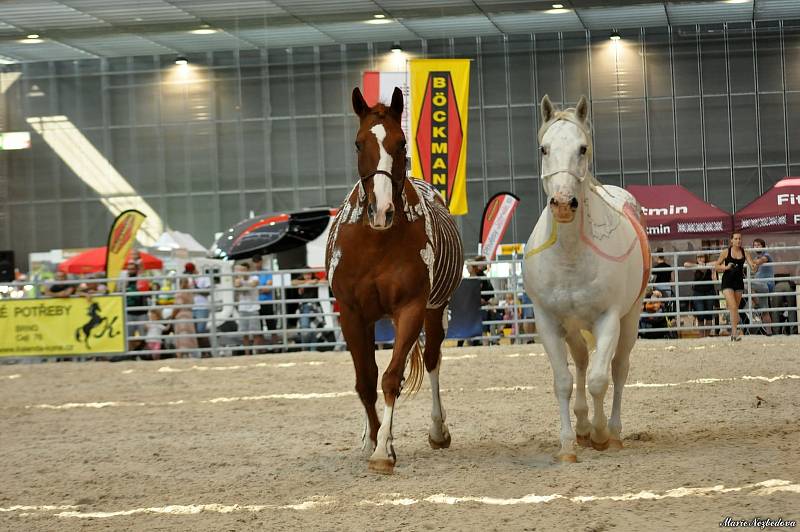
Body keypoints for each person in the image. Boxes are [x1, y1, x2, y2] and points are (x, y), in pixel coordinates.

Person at [714, 232, 759, 341]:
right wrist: (726, 267)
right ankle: (734, 332)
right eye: (736, 238)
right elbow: (716, 266)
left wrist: (754, 266)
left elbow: (752, 265)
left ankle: (733, 333)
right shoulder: (726, 252)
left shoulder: (745, 252)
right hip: (727, 282)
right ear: (731, 240)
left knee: (735, 309)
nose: (738, 240)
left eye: (739, 238)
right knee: (733, 307)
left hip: (739, 282)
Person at [683, 253, 717, 337]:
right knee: (700, 315)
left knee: (709, 315)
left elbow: (716, 264)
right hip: (698, 293)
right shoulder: (695, 267)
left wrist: (706, 266)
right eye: (698, 257)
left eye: (702, 256)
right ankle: (702, 336)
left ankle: (707, 336)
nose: (700, 258)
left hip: (709, 291)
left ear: (705, 258)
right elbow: (685, 264)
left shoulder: (709, 266)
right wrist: (698, 265)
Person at [234, 262, 261, 355]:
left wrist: (243, 282)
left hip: (254, 308)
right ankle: (247, 353)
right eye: (240, 270)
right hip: (243, 308)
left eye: (244, 270)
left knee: (256, 332)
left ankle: (255, 351)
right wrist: (241, 281)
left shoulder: (254, 277)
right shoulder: (238, 280)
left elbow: (254, 284)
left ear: (248, 270)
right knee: (244, 333)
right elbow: (237, 285)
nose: (242, 272)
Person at [122, 261, 149, 353]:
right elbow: (120, 292)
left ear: (136, 270)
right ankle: (131, 354)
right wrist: (125, 284)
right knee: (129, 336)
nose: (130, 271)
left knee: (143, 336)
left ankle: (144, 354)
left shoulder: (141, 279)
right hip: (129, 312)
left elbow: (147, 292)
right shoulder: (124, 280)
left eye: (132, 269)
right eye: (129, 269)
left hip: (141, 312)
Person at [750, 238, 774, 335]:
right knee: (765, 310)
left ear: (763, 246)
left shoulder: (766, 255)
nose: (756, 247)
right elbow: (754, 270)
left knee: (744, 284)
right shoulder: (756, 258)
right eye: (755, 245)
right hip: (760, 286)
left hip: (766, 285)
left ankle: (757, 304)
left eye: (758, 245)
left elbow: (761, 261)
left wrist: (749, 260)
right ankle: (769, 332)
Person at [252, 255, 275, 346]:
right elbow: (265, 288)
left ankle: (276, 347)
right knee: (258, 327)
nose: (257, 264)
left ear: (261, 262)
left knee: (271, 325)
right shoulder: (252, 275)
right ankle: (262, 347)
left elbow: (268, 288)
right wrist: (262, 288)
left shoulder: (267, 273)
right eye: (255, 262)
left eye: (258, 261)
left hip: (267, 302)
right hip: (256, 303)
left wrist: (256, 289)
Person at [173, 276, 199, 358]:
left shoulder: (179, 293)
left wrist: (172, 315)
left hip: (181, 314)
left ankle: (182, 353)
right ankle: (190, 353)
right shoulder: (190, 293)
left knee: (182, 333)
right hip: (189, 314)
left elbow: (178, 306)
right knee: (189, 333)